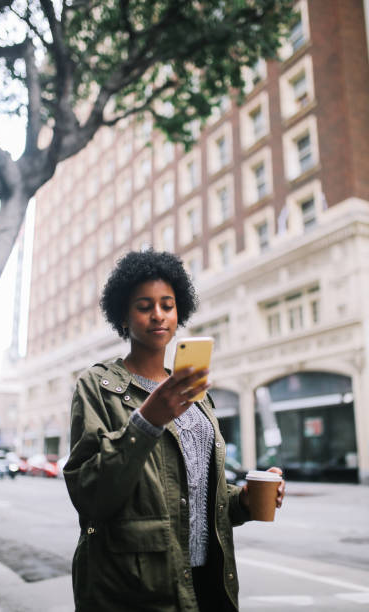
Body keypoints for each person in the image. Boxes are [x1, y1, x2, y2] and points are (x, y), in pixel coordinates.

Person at [64, 249, 285, 612]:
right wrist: (146, 420)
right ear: (123, 314)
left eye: (167, 305)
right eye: (144, 305)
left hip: (208, 583)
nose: (158, 315)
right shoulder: (97, 386)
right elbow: (91, 495)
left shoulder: (197, 398)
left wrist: (242, 501)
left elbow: (195, 498)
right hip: (136, 590)